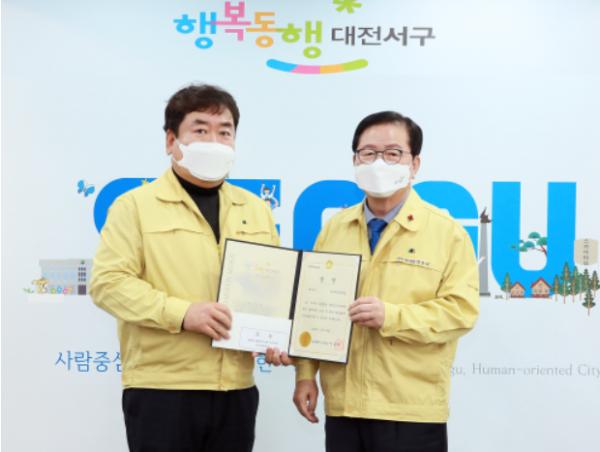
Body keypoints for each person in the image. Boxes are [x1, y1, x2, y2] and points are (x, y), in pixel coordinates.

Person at [267, 111, 479, 452]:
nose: (379, 162)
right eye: (368, 153)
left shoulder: (447, 233)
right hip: (345, 407)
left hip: (411, 410)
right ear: (355, 160)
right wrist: (305, 374)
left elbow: (461, 312)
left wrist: (391, 316)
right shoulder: (334, 229)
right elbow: (312, 308)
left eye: (393, 153)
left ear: (414, 164)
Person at [90, 84, 279, 452]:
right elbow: (108, 284)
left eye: (224, 132)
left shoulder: (256, 209)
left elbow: (273, 290)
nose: (214, 141)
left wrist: (276, 336)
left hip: (235, 388)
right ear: (171, 140)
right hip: (163, 390)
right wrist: (183, 313)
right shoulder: (135, 206)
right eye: (201, 129)